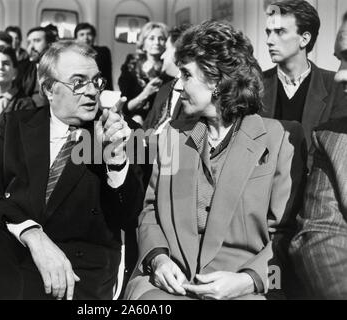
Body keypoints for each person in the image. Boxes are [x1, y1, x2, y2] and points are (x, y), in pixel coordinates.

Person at [0, 41, 144, 300]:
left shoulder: (120, 130)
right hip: (17, 247)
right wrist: (32, 234)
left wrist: (116, 159)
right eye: (78, 82)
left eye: (96, 81)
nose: (91, 92)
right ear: (49, 89)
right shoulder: (16, 125)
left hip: (76, 267)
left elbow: (131, 216)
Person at [125, 21, 307, 300]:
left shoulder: (281, 138)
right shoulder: (172, 135)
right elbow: (150, 212)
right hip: (169, 287)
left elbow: (288, 235)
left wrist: (249, 280)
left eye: (186, 75)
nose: (178, 85)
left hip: (244, 290)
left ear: (217, 80)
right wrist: (158, 259)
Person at [289, 12, 347, 299]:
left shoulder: (325, 85)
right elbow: (320, 235)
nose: (340, 74)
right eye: (339, 58)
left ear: (305, 39)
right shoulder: (330, 139)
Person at [262, 0, 347, 167]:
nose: (269, 40)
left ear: (304, 39)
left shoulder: (337, 87)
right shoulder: (255, 85)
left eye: (280, 32)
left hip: (314, 187)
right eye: (268, 32)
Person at [118, 22, 169, 125]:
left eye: (161, 38)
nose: (157, 42)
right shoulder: (130, 66)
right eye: (151, 38)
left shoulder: (170, 68)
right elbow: (125, 108)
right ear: (143, 44)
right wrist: (145, 93)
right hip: (136, 118)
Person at [143, 24, 191, 132]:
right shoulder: (165, 89)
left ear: (177, 52)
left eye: (166, 49)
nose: (162, 56)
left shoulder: (191, 90)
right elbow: (145, 127)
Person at [15, 26, 57, 108]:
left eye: (37, 41)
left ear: (50, 44)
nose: (31, 47)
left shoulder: (60, 68)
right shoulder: (22, 68)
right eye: (29, 43)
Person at [74, 23, 113, 90]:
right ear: (76, 39)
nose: (86, 38)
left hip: (100, 90)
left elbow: (107, 76)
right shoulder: (72, 55)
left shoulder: (103, 52)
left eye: (89, 34)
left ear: (94, 37)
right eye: (82, 34)